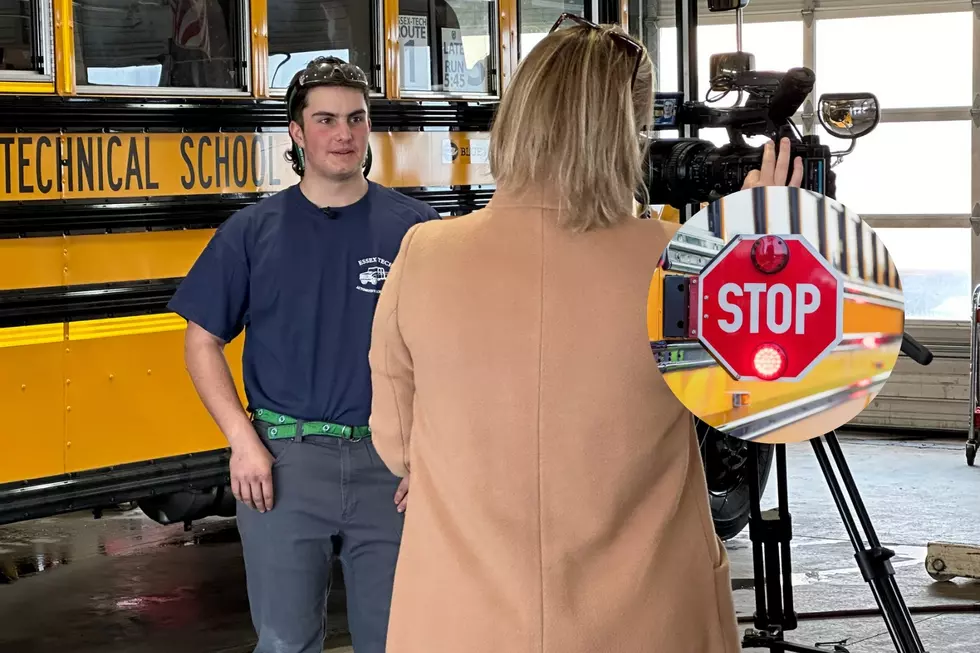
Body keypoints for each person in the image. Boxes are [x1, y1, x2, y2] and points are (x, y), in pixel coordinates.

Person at [367, 15, 803, 653]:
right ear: (625, 131)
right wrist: (764, 245)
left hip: (463, 621)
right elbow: (767, 398)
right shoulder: (681, 260)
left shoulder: (425, 252)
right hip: (647, 617)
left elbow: (398, 441)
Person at [168, 56, 440, 653]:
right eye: (325, 120)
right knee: (286, 642)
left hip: (391, 470)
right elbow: (201, 339)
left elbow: (453, 351)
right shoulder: (251, 231)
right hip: (282, 466)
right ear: (296, 131)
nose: (343, 134)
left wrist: (432, 455)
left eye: (355, 118)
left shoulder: (417, 231)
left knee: (397, 640)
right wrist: (242, 441)